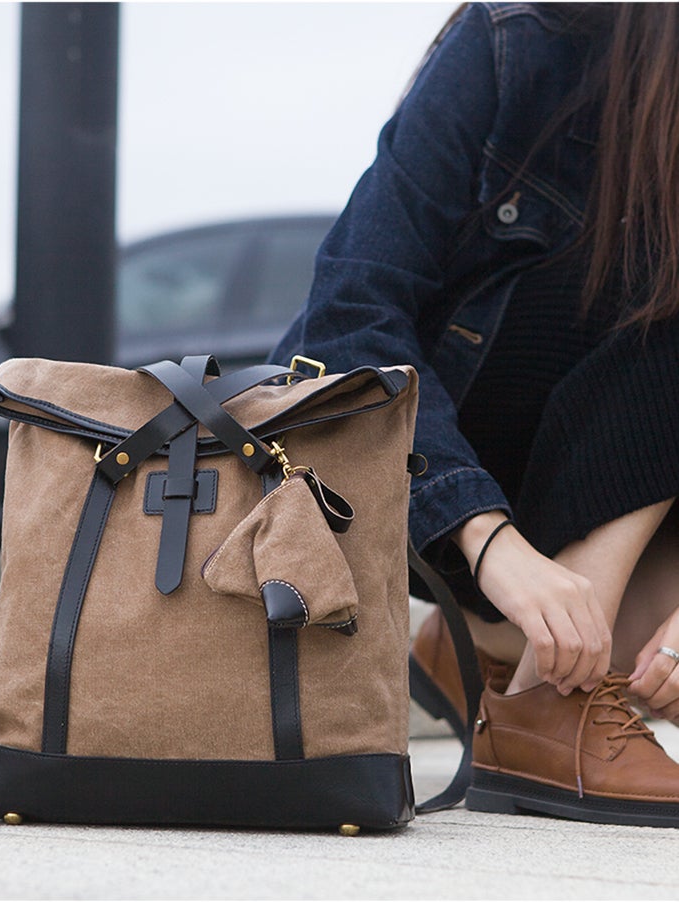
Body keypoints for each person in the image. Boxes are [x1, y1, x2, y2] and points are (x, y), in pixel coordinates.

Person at [269, 2, 679, 826]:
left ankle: (482, 652)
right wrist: (488, 541)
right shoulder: (513, 42)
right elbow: (349, 318)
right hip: (441, 495)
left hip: (611, 505)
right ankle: (544, 693)